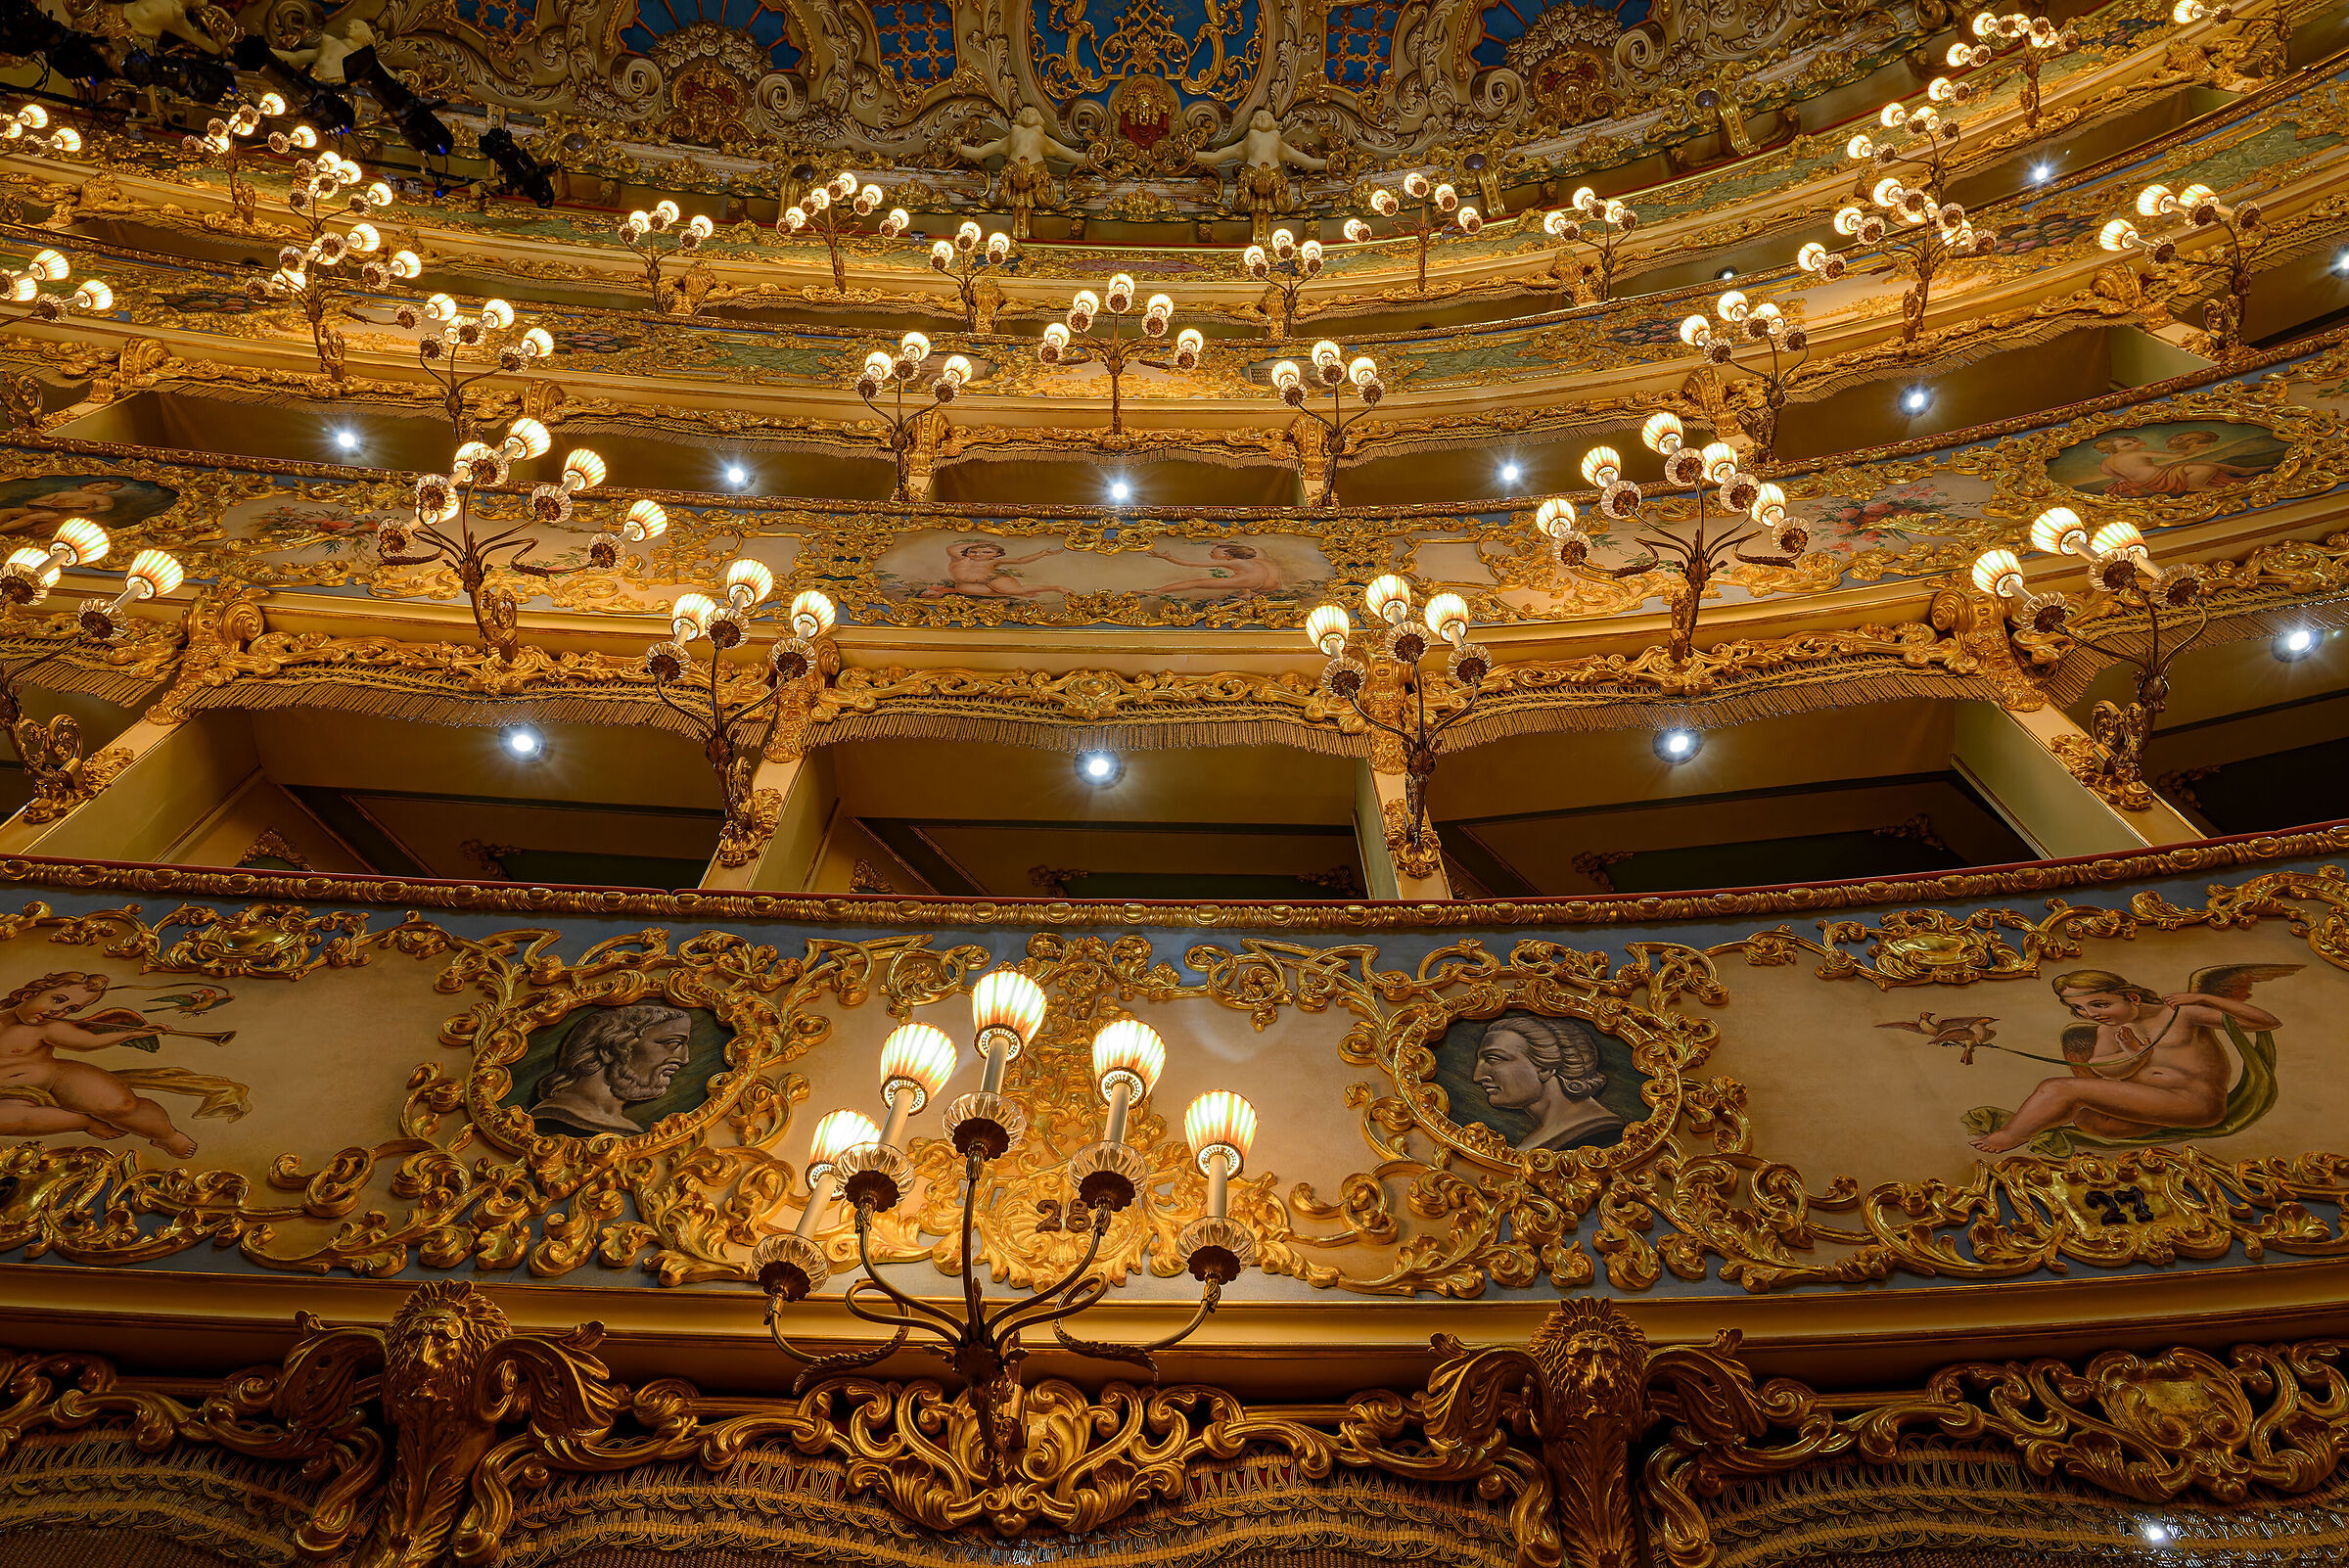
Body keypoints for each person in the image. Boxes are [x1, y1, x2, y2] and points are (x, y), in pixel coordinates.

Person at [1966, 968, 2286, 1155]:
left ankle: (2009, 1136)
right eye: (2079, 1009)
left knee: (2057, 1088)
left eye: (2099, 1004)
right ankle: (2036, 1126)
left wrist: (2204, 998)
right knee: (2087, 1120)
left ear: (2131, 997)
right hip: (2147, 1108)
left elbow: (2266, 1022)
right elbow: (2105, 1071)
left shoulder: (2181, 1014)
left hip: (2193, 1103)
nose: (2091, 1014)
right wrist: (2135, 1053)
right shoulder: (2109, 1030)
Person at [0, 972, 205, 1155]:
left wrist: (131, 1034)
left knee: (120, 1104)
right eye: (58, 1000)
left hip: (53, 1076)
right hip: (8, 1095)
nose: (58, 1011)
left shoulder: (48, 1027)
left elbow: (88, 1041)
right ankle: (86, 1121)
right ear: (29, 995)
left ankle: (167, 1135)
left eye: (70, 1009)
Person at [527, 1003, 695, 1136]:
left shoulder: (631, 1131)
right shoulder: (551, 1121)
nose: (684, 1059)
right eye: (672, 1043)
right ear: (609, 1049)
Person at [1468, 1014, 1624, 1153]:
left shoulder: (1600, 1132)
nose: (1477, 1077)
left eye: (1493, 1059)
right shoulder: (1532, 1144)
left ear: (1544, 1068)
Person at [920, 539, 1067, 599]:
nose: (979, 555)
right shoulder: (961, 559)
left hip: (993, 580)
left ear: (996, 555)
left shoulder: (994, 561)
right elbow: (950, 548)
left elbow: (1020, 561)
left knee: (1012, 589)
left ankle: (1056, 588)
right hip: (969, 584)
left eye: (986, 552)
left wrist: (1042, 554)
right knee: (962, 589)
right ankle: (1018, 594)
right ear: (967, 552)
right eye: (974, 552)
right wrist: (979, 543)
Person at [1146, 542, 1282, 594]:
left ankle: (1158, 591)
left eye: (1212, 552)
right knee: (1237, 577)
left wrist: (1168, 558)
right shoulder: (1257, 555)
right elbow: (1253, 547)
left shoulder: (1232, 562)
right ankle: (1248, 592)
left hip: (1255, 582)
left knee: (1195, 583)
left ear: (1227, 555)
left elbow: (1190, 563)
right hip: (1274, 584)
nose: (1210, 554)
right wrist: (1223, 543)